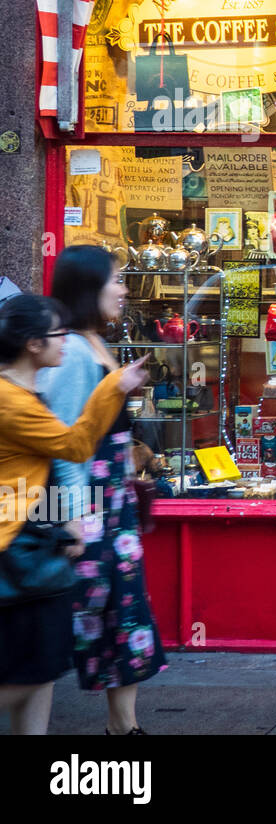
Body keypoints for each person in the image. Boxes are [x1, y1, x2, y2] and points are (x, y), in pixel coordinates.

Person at [0, 294, 150, 735]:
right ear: (32, 344)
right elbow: (74, 447)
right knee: (32, 670)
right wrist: (113, 387)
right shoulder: (14, 402)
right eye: (56, 334)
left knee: (40, 670)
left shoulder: (25, 391)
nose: (64, 342)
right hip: (16, 542)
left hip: (30, 534)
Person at [45, 246, 168, 735]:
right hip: (87, 505)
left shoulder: (95, 344)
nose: (122, 290)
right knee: (75, 615)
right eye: (114, 281)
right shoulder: (73, 351)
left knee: (124, 609)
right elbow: (59, 444)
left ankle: (124, 727)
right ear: (86, 288)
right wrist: (68, 518)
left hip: (111, 502)